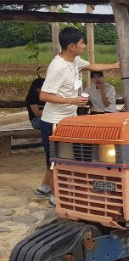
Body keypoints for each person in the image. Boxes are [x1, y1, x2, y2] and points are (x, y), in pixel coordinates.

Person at [37, 27, 119, 205]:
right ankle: (55, 197)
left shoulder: (75, 61)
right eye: (82, 43)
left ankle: (45, 187)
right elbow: (43, 96)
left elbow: (91, 66)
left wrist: (114, 65)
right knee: (56, 159)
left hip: (68, 120)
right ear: (72, 46)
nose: (84, 45)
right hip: (54, 121)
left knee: (64, 156)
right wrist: (72, 101)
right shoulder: (57, 68)